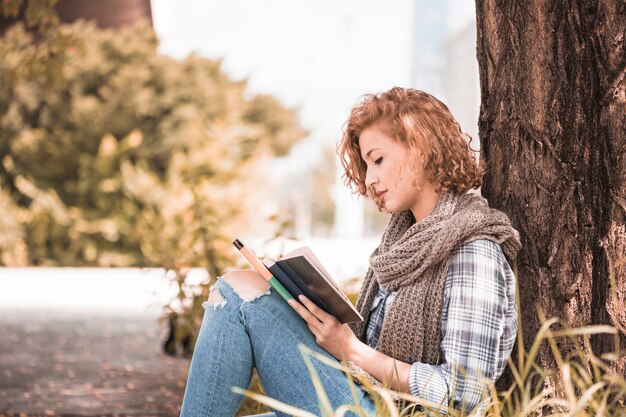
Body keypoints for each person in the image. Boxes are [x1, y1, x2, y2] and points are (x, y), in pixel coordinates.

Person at [179, 87, 521, 417]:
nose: (369, 179)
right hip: (365, 396)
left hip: (394, 411)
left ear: (422, 148)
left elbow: (463, 394)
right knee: (240, 284)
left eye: (378, 160)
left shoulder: (473, 251)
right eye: (366, 165)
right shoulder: (398, 245)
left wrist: (351, 349)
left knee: (238, 292)